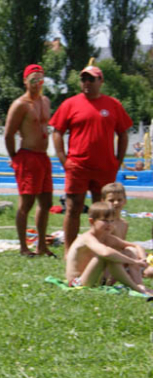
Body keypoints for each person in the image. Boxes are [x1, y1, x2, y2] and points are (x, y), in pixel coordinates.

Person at [50, 65, 133, 253]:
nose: (87, 83)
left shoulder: (113, 105)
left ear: (100, 81)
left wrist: (117, 160)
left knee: (103, 211)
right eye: (83, 79)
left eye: (91, 79)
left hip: (104, 167)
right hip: (78, 167)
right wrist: (64, 160)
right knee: (73, 208)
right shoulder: (70, 104)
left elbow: (123, 133)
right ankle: (70, 251)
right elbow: (57, 132)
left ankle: (101, 250)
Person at [4, 64, 56, 258]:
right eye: (33, 80)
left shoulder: (45, 101)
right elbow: (8, 134)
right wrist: (15, 158)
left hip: (43, 157)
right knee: (26, 203)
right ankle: (23, 247)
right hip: (27, 155)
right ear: (25, 81)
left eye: (40, 80)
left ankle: (41, 245)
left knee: (47, 201)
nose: (37, 84)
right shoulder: (20, 104)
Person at [64, 202, 153, 296]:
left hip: (98, 279)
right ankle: (137, 288)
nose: (109, 224)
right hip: (77, 282)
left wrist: (143, 261)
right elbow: (106, 253)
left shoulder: (107, 237)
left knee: (130, 250)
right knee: (108, 256)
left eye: (112, 221)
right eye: (105, 220)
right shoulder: (87, 237)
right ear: (92, 221)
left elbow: (136, 246)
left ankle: (140, 284)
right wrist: (133, 262)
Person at [100, 183, 153, 283]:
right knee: (132, 251)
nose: (116, 203)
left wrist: (142, 257)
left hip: (123, 260)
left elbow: (121, 246)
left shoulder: (124, 223)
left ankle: (138, 272)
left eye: (119, 200)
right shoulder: (103, 224)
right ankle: (138, 284)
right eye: (111, 200)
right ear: (103, 201)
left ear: (125, 201)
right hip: (107, 263)